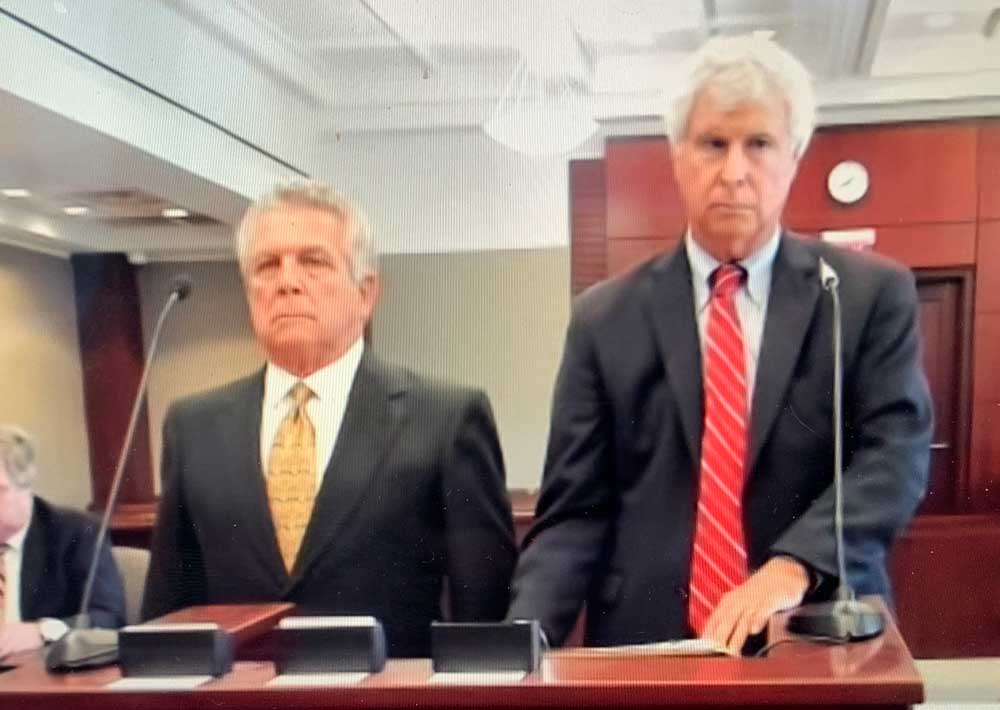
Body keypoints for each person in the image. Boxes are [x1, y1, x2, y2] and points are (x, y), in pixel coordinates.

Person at [508, 35, 933, 655]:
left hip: (816, 627)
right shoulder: (605, 318)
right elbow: (573, 511)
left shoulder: (863, 295)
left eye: (758, 144)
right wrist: (519, 644)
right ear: (678, 157)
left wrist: (792, 567)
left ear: (793, 157)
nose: (734, 171)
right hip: (649, 644)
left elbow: (893, 458)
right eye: (713, 144)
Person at [142, 181, 517, 657]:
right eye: (266, 265)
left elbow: (483, 610)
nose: (287, 281)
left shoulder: (444, 417)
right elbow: (169, 607)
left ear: (366, 293)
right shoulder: (194, 427)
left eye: (313, 261)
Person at [0, 424, 125, 658]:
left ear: (25, 486)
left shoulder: (76, 532)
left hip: (38, 676)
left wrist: (41, 631)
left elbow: (110, 617)